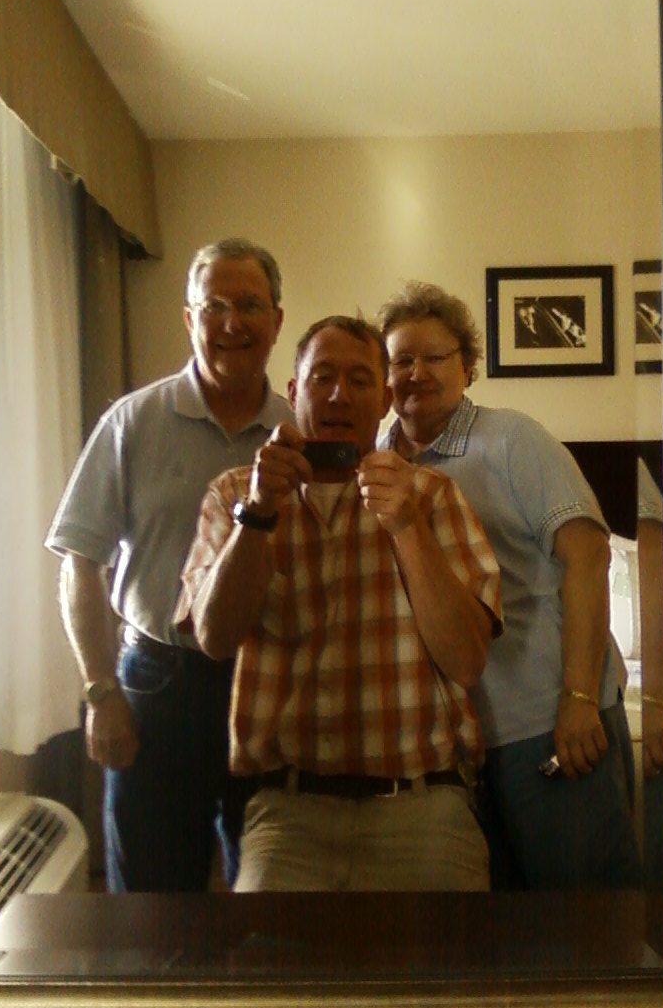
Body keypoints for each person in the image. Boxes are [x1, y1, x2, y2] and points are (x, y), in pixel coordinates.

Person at [173, 315, 503, 891]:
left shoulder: (431, 496)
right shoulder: (235, 495)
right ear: (294, 391)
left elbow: (467, 659)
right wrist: (259, 515)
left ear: (385, 402)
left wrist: (406, 527)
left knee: (451, 953)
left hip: (423, 807)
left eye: (360, 380)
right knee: (268, 951)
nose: (338, 395)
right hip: (288, 814)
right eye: (322, 377)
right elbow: (215, 638)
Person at [45, 237, 292, 892]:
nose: (232, 323)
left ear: (276, 321)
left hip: (271, 684)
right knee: (151, 902)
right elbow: (80, 563)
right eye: (214, 306)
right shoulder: (133, 423)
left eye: (250, 306)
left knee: (269, 892)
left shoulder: (299, 431)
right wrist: (101, 691)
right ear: (189, 319)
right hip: (158, 687)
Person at [377, 282, 641, 890]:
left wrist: (578, 698)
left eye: (435, 357)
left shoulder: (512, 440)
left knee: (583, 917)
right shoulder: (376, 462)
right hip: (447, 748)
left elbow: (588, 556)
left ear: (468, 366)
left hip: (544, 721)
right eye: (401, 360)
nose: (416, 373)